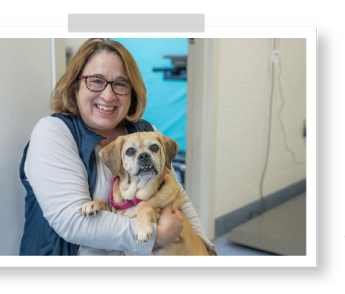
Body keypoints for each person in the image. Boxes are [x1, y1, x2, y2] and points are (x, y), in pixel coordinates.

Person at [19, 38, 215, 256]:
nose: (108, 95)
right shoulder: (54, 132)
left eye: (120, 84)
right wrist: (156, 235)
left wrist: (208, 250)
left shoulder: (146, 131)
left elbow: (178, 197)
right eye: (96, 81)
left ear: (132, 92)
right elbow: (74, 221)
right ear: (75, 86)